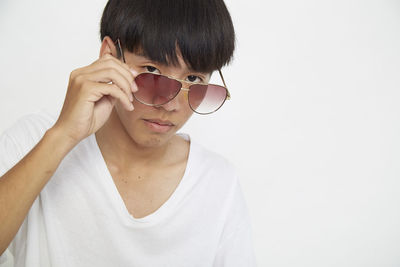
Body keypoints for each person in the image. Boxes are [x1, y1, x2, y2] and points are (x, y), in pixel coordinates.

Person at [0, 0, 257, 266]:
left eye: (194, 80)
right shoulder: (32, 142)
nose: (171, 105)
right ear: (109, 56)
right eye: (152, 71)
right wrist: (64, 136)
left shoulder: (217, 183)